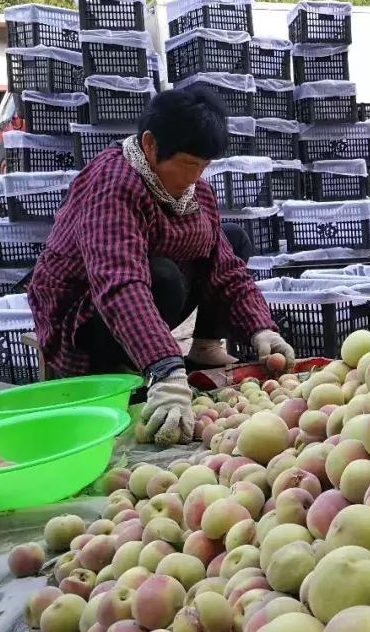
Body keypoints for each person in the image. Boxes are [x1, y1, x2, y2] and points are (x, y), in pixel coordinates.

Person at [27, 88, 295, 446]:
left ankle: (203, 347)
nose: (196, 175)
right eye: (188, 164)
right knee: (162, 277)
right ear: (151, 145)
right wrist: (166, 369)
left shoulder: (195, 192)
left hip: (143, 294)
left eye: (204, 166)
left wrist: (262, 330)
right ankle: (124, 366)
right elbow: (120, 283)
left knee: (231, 239)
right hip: (82, 317)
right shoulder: (113, 185)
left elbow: (226, 267)